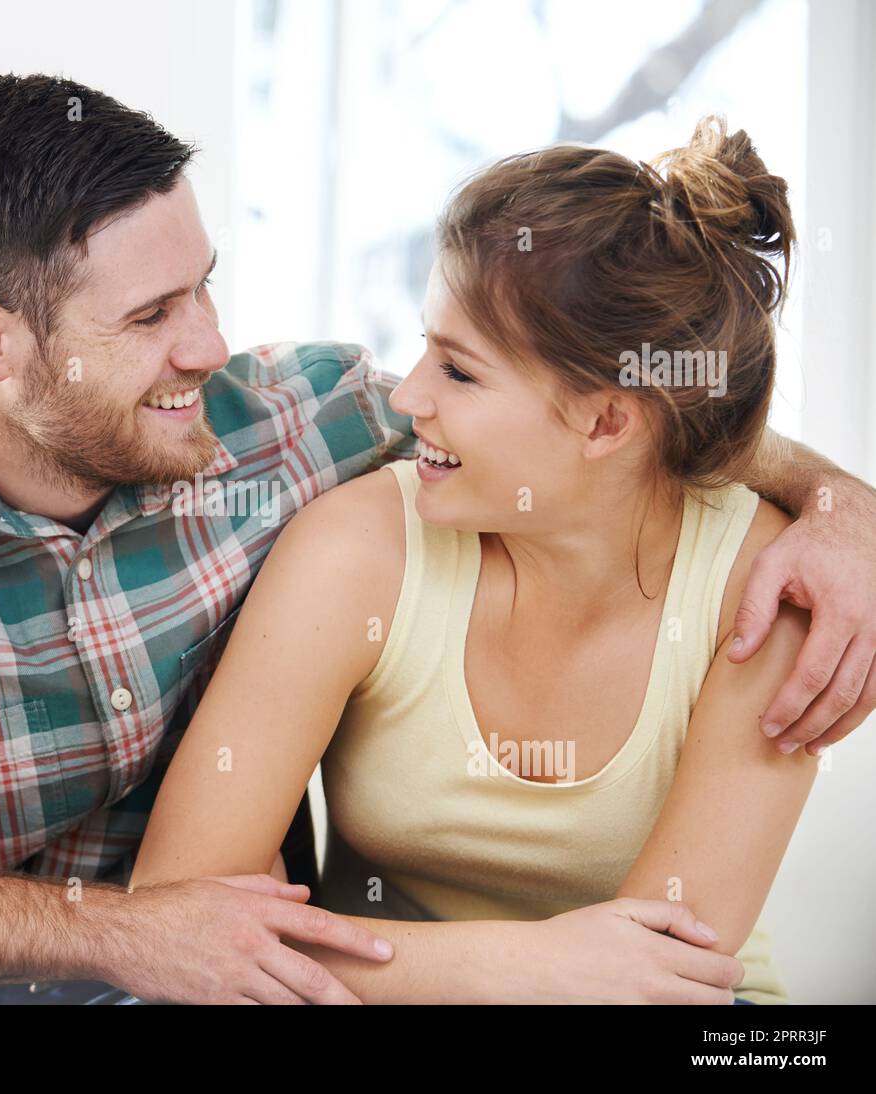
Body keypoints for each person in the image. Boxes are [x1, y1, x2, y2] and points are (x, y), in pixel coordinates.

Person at [0, 75, 876, 1005]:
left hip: (232, 972)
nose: (211, 345)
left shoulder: (298, 420)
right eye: (156, 313)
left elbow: (573, 420)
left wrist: (843, 507)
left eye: (207, 283)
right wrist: (108, 933)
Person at [130, 118, 833, 1004]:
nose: (411, 395)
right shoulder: (360, 550)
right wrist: (526, 966)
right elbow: (176, 925)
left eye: (460, 372)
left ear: (607, 422)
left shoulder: (768, 591)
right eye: (425, 346)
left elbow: (658, 980)